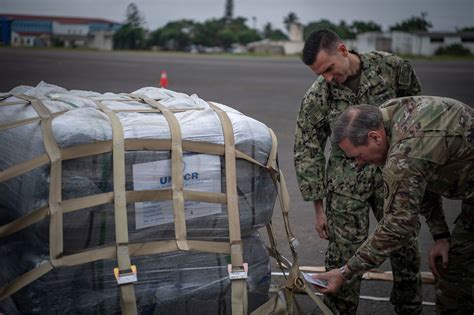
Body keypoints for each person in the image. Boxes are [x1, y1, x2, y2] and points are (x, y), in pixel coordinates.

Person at [294, 29, 423, 313]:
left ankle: (410, 308)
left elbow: (416, 116)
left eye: (329, 68)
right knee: (343, 255)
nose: (328, 78)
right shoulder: (319, 95)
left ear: (343, 50)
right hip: (345, 188)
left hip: (394, 176)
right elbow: (307, 148)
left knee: (405, 250)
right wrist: (318, 209)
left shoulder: (392, 68)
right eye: (320, 74)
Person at [315, 96, 473, 314]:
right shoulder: (389, 115)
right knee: (454, 272)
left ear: (375, 137)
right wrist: (441, 236)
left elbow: (397, 226)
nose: (358, 165)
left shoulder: (407, 151)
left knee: (455, 283)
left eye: (358, 156)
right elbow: (423, 183)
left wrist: (345, 271)